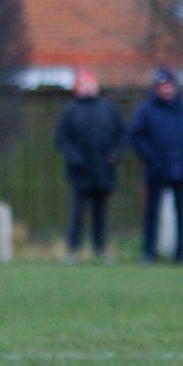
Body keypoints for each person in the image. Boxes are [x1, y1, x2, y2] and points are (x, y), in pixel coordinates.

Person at [130, 67, 183, 264]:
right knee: (152, 214)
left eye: (168, 85)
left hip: (180, 169)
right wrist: (150, 157)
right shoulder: (146, 110)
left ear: (174, 86)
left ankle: (181, 254)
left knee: (181, 214)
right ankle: (149, 253)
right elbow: (136, 136)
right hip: (155, 170)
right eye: (161, 86)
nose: (165, 89)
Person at [54, 68, 125, 263]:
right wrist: (74, 157)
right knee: (77, 213)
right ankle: (73, 250)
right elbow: (61, 138)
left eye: (90, 83)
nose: (87, 88)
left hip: (103, 171)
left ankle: (100, 249)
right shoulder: (70, 111)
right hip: (80, 172)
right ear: (78, 88)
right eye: (83, 84)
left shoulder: (108, 109)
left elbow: (122, 135)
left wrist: (116, 154)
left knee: (100, 214)